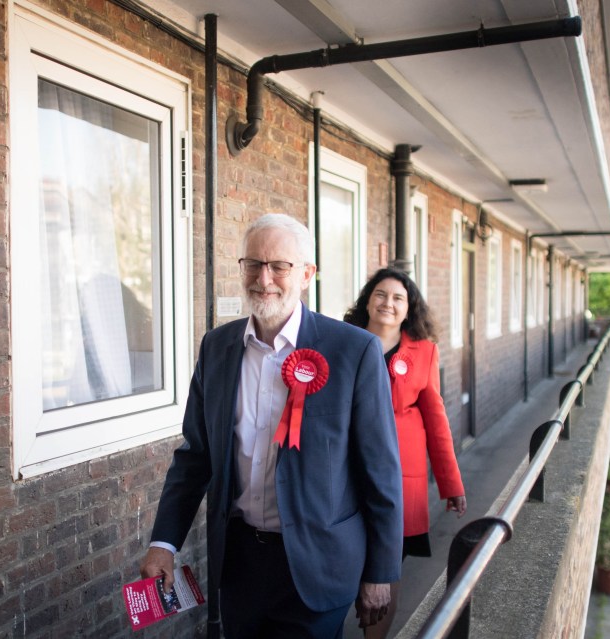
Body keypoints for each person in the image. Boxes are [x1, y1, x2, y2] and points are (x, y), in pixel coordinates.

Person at [140, 213, 403, 638]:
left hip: (320, 565)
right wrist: (164, 542)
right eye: (254, 264)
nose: (265, 279)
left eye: (279, 266)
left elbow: (381, 471)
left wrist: (381, 571)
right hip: (240, 564)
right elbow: (195, 457)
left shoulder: (355, 351)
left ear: (306, 274)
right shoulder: (216, 347)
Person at [344, 267, 467, 639]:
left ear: (408, 308)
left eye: (398, 298)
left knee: (387, 565)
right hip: (346, 471)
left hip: (401, 479)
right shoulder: (343, 342)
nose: (388, 303)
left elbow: (437, 420)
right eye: (381, 294)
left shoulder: (424, 353)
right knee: (345, 556)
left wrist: (451, 484)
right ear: (368, 300)